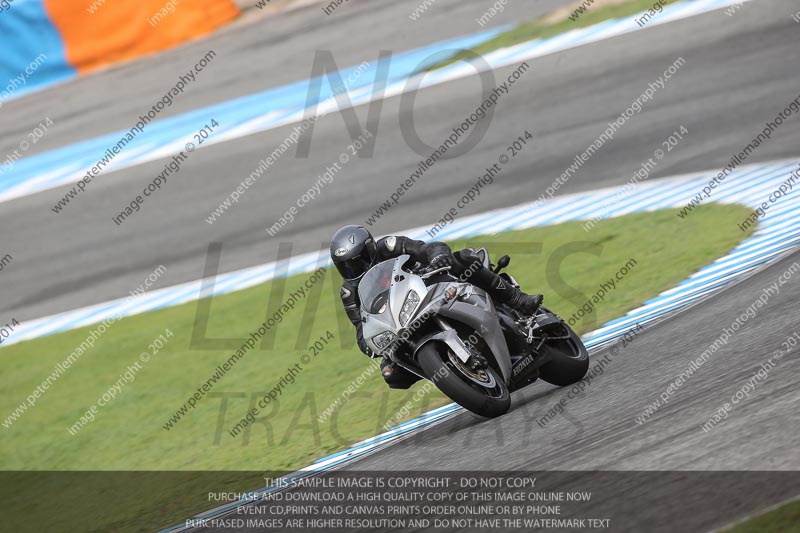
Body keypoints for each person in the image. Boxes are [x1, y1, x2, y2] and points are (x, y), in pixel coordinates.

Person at [330, 224, 543, 389]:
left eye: (357, 261)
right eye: (345, 266)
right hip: (400, 322)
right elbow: (361, 328)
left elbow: (425, 248)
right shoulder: (349, 292)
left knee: (463, 260)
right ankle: (453, 375)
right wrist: (370, 345)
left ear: (369, 249)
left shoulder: (388, 246)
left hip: (430, 285)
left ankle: (518, 300)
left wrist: (438, 257)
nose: (353, 269)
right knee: (391, 373)